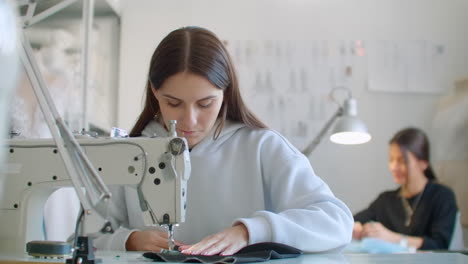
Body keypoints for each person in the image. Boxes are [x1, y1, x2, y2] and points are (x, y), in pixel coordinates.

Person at [93, 26, 353, 255]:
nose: (189, 121)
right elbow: (85, 238)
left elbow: (336, 223)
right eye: (173, 103)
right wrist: (128, 240)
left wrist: (251, 231)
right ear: (154, 92)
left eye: (205, 104)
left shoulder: (263, 148)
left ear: (225, 92)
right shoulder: (129, 153)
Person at [353, 127, 458, 250]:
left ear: (423, 163)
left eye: (402, 161)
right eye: (391, 160)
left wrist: (393, 238)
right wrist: (357, 227)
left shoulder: (442, 196)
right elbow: (353, 221)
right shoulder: (385, 200)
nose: (394, 167)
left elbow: (439, 245)